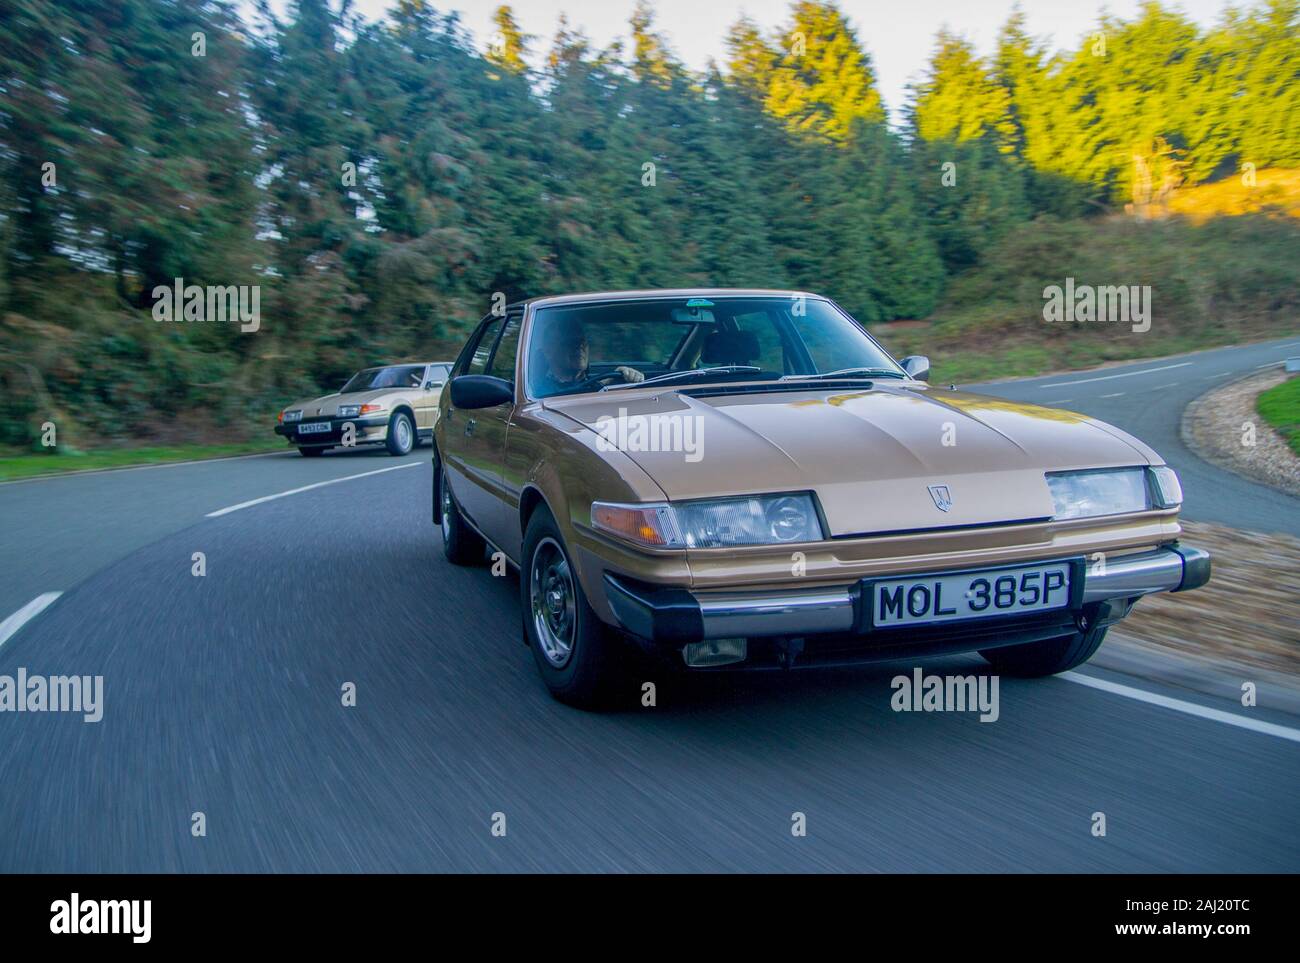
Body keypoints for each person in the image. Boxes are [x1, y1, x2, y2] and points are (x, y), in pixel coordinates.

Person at [533, 316, 644, 396]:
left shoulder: (596, 383)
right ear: (548, 351)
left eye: (583, 341)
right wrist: (604, 383)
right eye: (571, 342)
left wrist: (620, 376)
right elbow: (568, 398)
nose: (580, 346)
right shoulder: (538, 391)